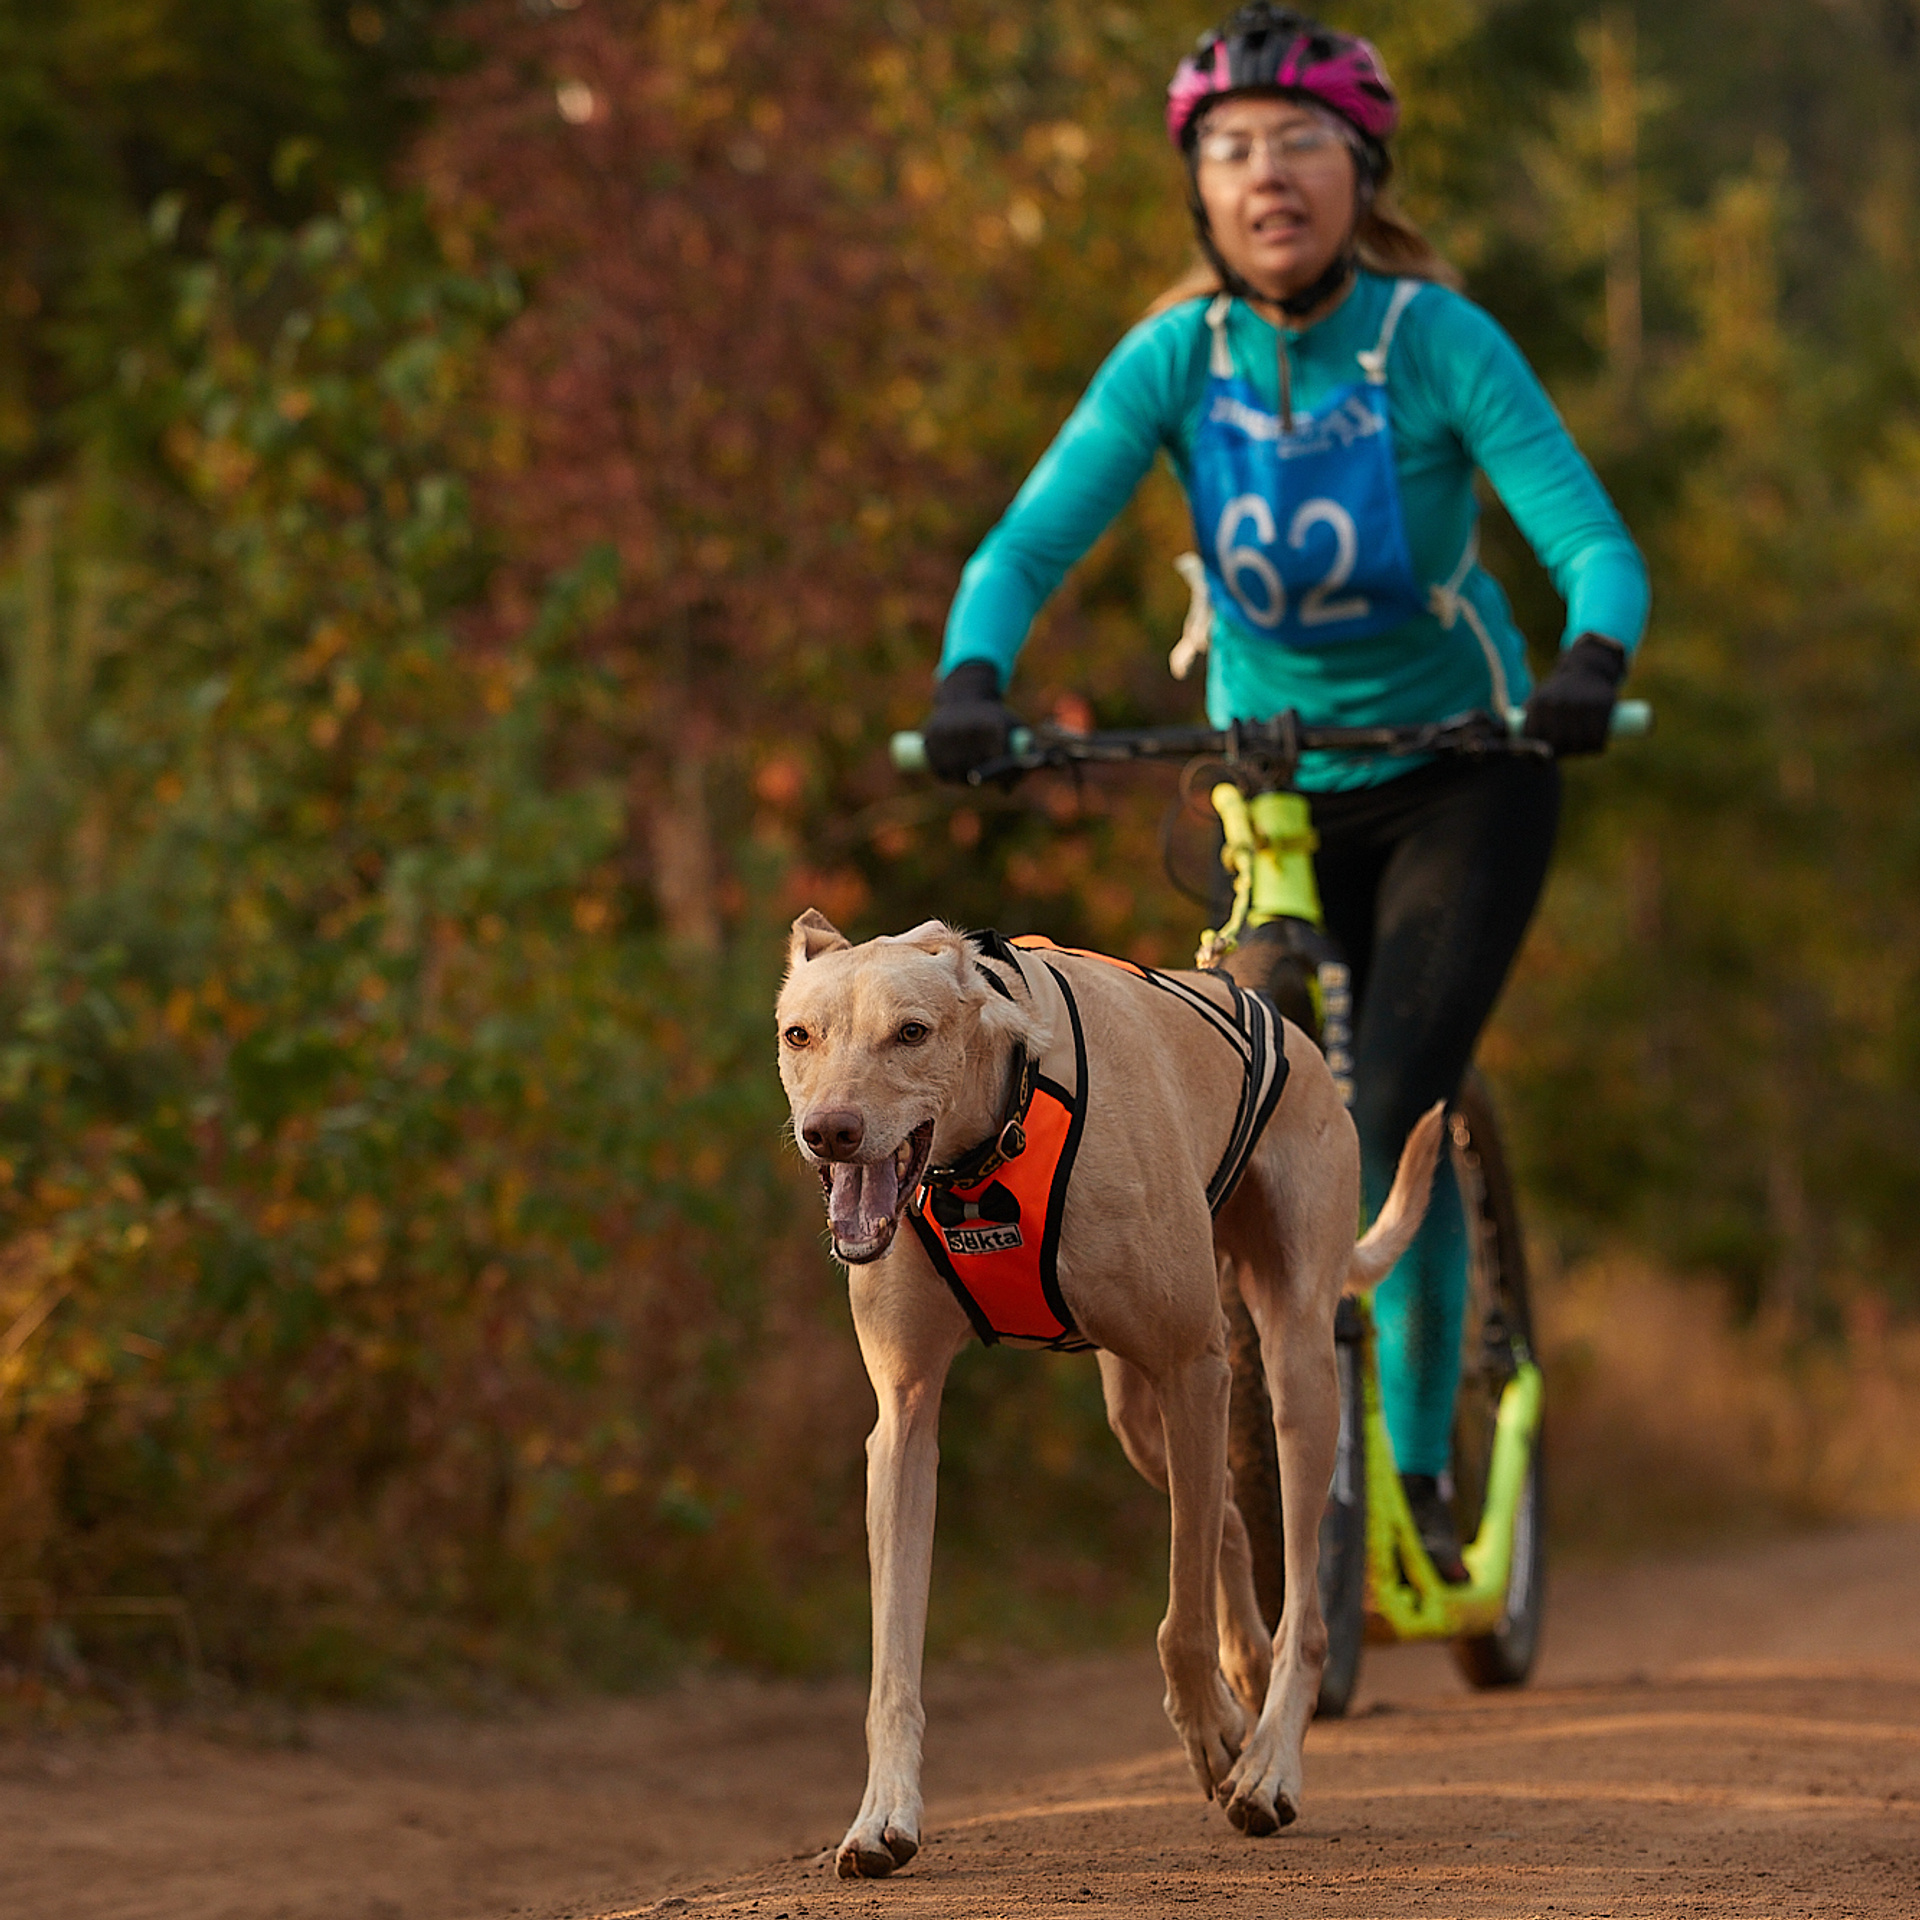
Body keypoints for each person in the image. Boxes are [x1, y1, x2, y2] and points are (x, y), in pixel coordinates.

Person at [918, 3, 1648, 1578]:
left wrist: (1588, 660)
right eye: (1232, 150)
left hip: (1466, 772)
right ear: (1199, 187)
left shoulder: (1436, 341)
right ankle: (1275, 1484)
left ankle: (1428, 1461)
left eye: (1302, 144)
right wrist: (974, 678)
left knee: (1392, 1101)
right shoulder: (1175, 357)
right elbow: (1028, 546)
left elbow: (1592, 541)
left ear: (1360, 169)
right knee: (1231, 1113)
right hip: (1271, 784)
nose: (1269, 177)